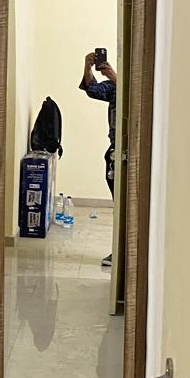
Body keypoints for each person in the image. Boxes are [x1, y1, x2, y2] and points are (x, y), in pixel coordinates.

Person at [79, 50, 117, 268]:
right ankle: (119, 250)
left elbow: (138, 102)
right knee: (118, 202)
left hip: (135, 151)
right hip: (115, 150)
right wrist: (87, 67)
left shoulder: (135, 87)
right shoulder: (114, 87)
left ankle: (125, 251)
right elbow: (92, 90)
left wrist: (116, 78)